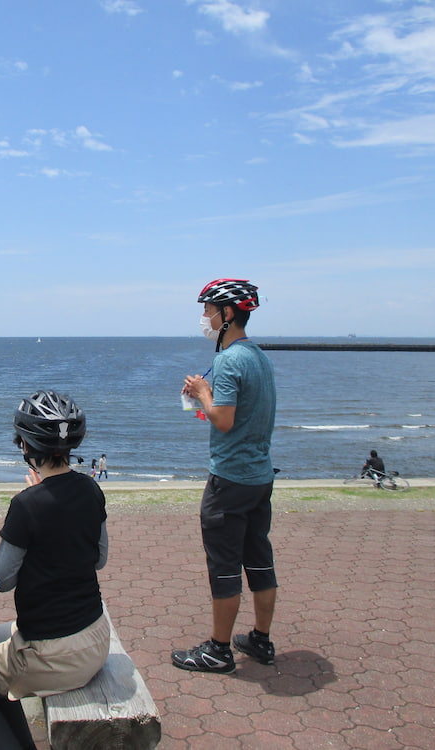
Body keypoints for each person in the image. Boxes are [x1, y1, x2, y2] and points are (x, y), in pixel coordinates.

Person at [0, 391, 110, 750]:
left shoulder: (26, 505)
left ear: (24, 445)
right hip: (94, 636)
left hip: (53, 651)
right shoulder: (91, 489)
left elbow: (2, 581)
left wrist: (35, 512)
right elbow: (99, 558)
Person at [172, 278, 278, 674]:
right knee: (258, 558)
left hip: (230, 479)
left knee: (224, 566)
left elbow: (224, 419)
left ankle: (218, 651)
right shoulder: (258, 357)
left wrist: (202, 393)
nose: (204, 318)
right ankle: (261, 640)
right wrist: (206, 393)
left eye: (207, 310)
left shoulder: (229, 360)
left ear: (227, 313)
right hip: (259, 476)